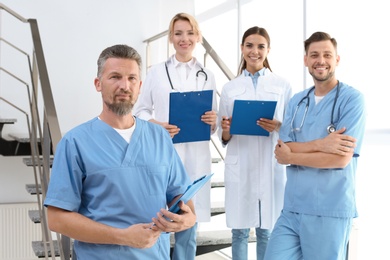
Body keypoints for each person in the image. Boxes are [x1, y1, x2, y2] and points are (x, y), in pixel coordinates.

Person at [44, 44, 196, 260]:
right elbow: (57, 218)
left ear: (140, 85)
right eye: (115, 77)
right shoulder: (75, 142)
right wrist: (122, 237)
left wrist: (188, 219)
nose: (125, 86)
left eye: (132, 78)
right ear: (98, 84)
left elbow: (180, 195)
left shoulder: (159, 137)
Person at [264, 32, 366, 260]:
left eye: (327, 55)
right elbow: (282, 148)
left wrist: (293, 155)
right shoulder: (297, 101)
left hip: (329, 209)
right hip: (292, 208)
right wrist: (322, 144)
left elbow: (339, 159)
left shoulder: (352, 100)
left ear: (337, 59)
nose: (321, 60)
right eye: (315, 55)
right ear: (306, 60)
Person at [133, 12, 218, 259]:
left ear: (198, 36)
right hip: (164, 153)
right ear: (171, 37)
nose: (184, 38)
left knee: (189, 223)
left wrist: (212, 122)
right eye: (178, 33)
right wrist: (156, 124)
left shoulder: (207, 75)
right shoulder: (156, 72)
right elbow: (140, 111)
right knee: (157, 218)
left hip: (196, 156)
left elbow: (211, 122)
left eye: (190, 33)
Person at [218, 26, 292, 260]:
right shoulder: (230, 88)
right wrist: (227, 129)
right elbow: (223, 136)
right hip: (241, 162)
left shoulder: (282, 85)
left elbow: (291, 128)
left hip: (270, 164)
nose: (255, 51)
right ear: (242, 49)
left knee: (266, 230)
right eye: (249, 45)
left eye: (261, 46)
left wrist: (278, 126)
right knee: (239, 231)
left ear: (268, 50)